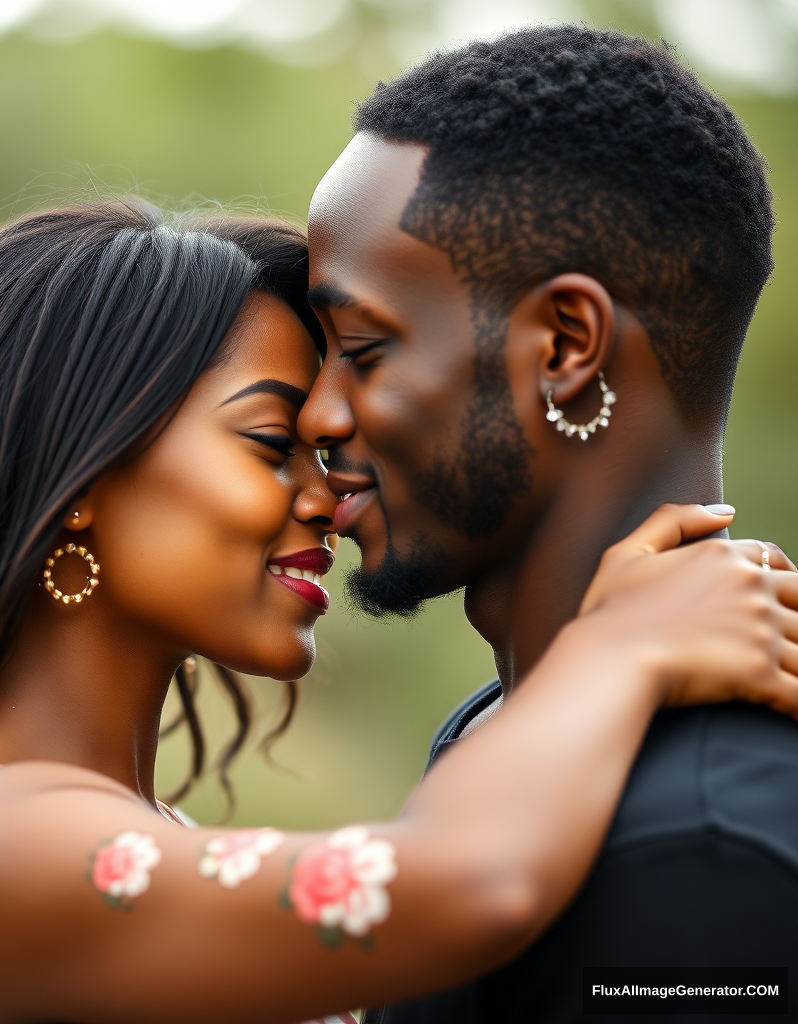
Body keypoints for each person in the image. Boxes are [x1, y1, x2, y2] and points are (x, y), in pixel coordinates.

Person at [0, 203, 798, 1024]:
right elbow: (463, 883)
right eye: (273, 444)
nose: (329, 491)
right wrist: (618, 650)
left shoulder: (125, 833)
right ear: (79, 472)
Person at [297, 24, 798, 1024]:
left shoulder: (696, 847)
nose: (316, 414)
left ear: (565, 344)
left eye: (360, 347)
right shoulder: (499, 747)